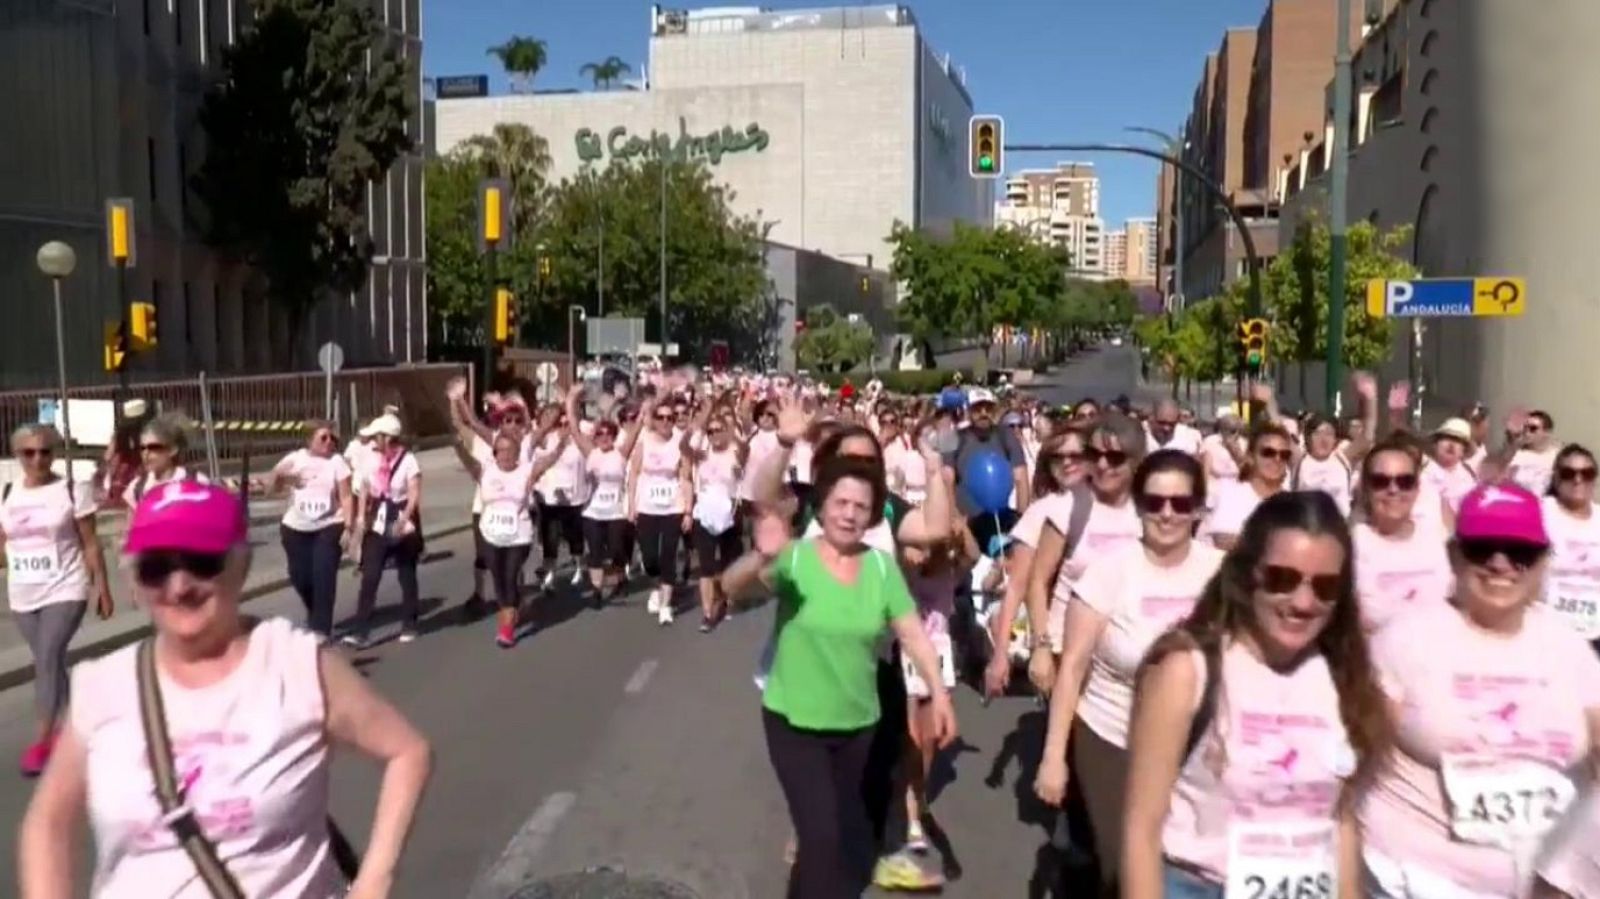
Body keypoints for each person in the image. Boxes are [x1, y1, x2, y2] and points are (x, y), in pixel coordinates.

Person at [18, 480, 432, 897]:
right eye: (156, 568)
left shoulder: (296, 663)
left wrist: (374, 878)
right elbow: (47, 821)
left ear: (240, 567)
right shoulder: (103, 684)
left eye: (201, 561)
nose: (179, 586)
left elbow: (407, 752)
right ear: (135, 581)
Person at [1122, 491, 1390, 899]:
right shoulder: (1187, 669)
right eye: (1282, 579)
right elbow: (1141, 830)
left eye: (1325, 587)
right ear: (1249, 574)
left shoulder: (1341, 672)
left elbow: (1342, 817)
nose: (1303, 602)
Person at [722, 457, 957, 899]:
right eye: (841, 502)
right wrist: (759, 557)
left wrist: (940, 696)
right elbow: (733, 587)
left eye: (861, 506)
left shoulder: (883, 569)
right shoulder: (796, 559)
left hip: (856, 726)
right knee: (821, 836)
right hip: (794, 723)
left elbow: (912, 635)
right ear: (822, 507)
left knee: (837, 839)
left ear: (872, 515)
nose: (849, 514)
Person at [1360, 482, 1600, 898]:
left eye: (1520, 553)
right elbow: (1350, 767)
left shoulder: (1570, 648)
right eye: (1482, 548)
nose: (1500, 564)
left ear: (1543, 561)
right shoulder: (1403, 640)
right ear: (1454, 555)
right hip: (1413, 878)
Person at [1032, 450, 1220, 895]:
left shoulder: (1222, 573)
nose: (1167, 513)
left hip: (1197, 746)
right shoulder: (1109, 573)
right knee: (1127, 870)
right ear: (1139, 506)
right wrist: (1054, 757)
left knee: (1189, 867)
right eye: (1155, 503)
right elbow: (1073, 668)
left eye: (1180, 502)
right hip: (1113, 738)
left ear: (1197, 507)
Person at [0, 424, 113, 777]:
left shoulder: (70, 489)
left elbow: (91, 543)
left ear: (54, 452)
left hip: (66, 586)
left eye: (45, 452)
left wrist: (102, 587)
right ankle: (72, 728)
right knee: (48, 662)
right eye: (28, 453)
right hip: (23, 591)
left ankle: (44, 740)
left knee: (47, 657)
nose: (38, 459)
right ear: (17, 455)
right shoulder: (7, 492)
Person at [453, 424, 569, 648]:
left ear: (517, 453)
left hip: (518, 536)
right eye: (500, 450)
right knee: (499, 579)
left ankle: (506, 631)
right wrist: (457, 445)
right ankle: (514, 604)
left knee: (509, 575)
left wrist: (562, 444)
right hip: (491, 534)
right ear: (495, 453)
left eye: (509, 450)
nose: (505, 455)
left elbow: (549, 461)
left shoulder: (526, 471)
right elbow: (467, 460)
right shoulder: (486, 471)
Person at [261, 421, 356, 638]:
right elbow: (270, 488)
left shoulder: (337, 462)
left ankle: (321, 631)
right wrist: (280, 478)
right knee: (300, 577)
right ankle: (315, 612)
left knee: (324, 577)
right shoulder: (295, 459)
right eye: (323, 437)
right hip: (295, 528)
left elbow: (346, 496)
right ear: (309, 439)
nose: (329, 442)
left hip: (329, 525)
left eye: (332, 438)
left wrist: (349, 528)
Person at [1351, 438, 1453, 632]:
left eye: (1405, 481)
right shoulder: (1352, 545)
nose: (1393, 489)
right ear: (1366, 488)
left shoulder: (1435, 539)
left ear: (1416, 489)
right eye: (1380, 481)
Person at [344, 412, 423, 648]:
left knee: (406, 572)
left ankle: (409, 622)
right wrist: (360, 519)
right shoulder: (369, 459)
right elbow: (364, 488)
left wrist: (406, 518)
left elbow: (414, 492)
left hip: (400, 515)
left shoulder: (408, 460)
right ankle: (361, 631)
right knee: (370, 575)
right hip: (377, 518)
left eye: (376, 437)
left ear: (387, 438)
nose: (372, 442)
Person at [1540, 443, 1600, 647]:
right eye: (1568, 473)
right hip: (1547, 632)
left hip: (1594, 635)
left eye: (1587, 473)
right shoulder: (1541, 512)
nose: (1578, 479)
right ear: (1556, 478)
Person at [945, 388, 1030, 516]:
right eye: (978, 408)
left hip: (1000, 517)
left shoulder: (1006, 436)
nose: (983, 413)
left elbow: (1021, 477)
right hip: (966, 519)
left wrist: (1022, 517)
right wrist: (953, 517)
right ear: (968, 410)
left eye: (988, 408)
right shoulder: (954, 438)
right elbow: (947, 480)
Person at [122, 414, 208, 508]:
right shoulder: (137, 488)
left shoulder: (197, 481)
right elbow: (133, 522)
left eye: (153, 447)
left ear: (172, 450)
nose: (146, 453)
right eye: (142, 448)